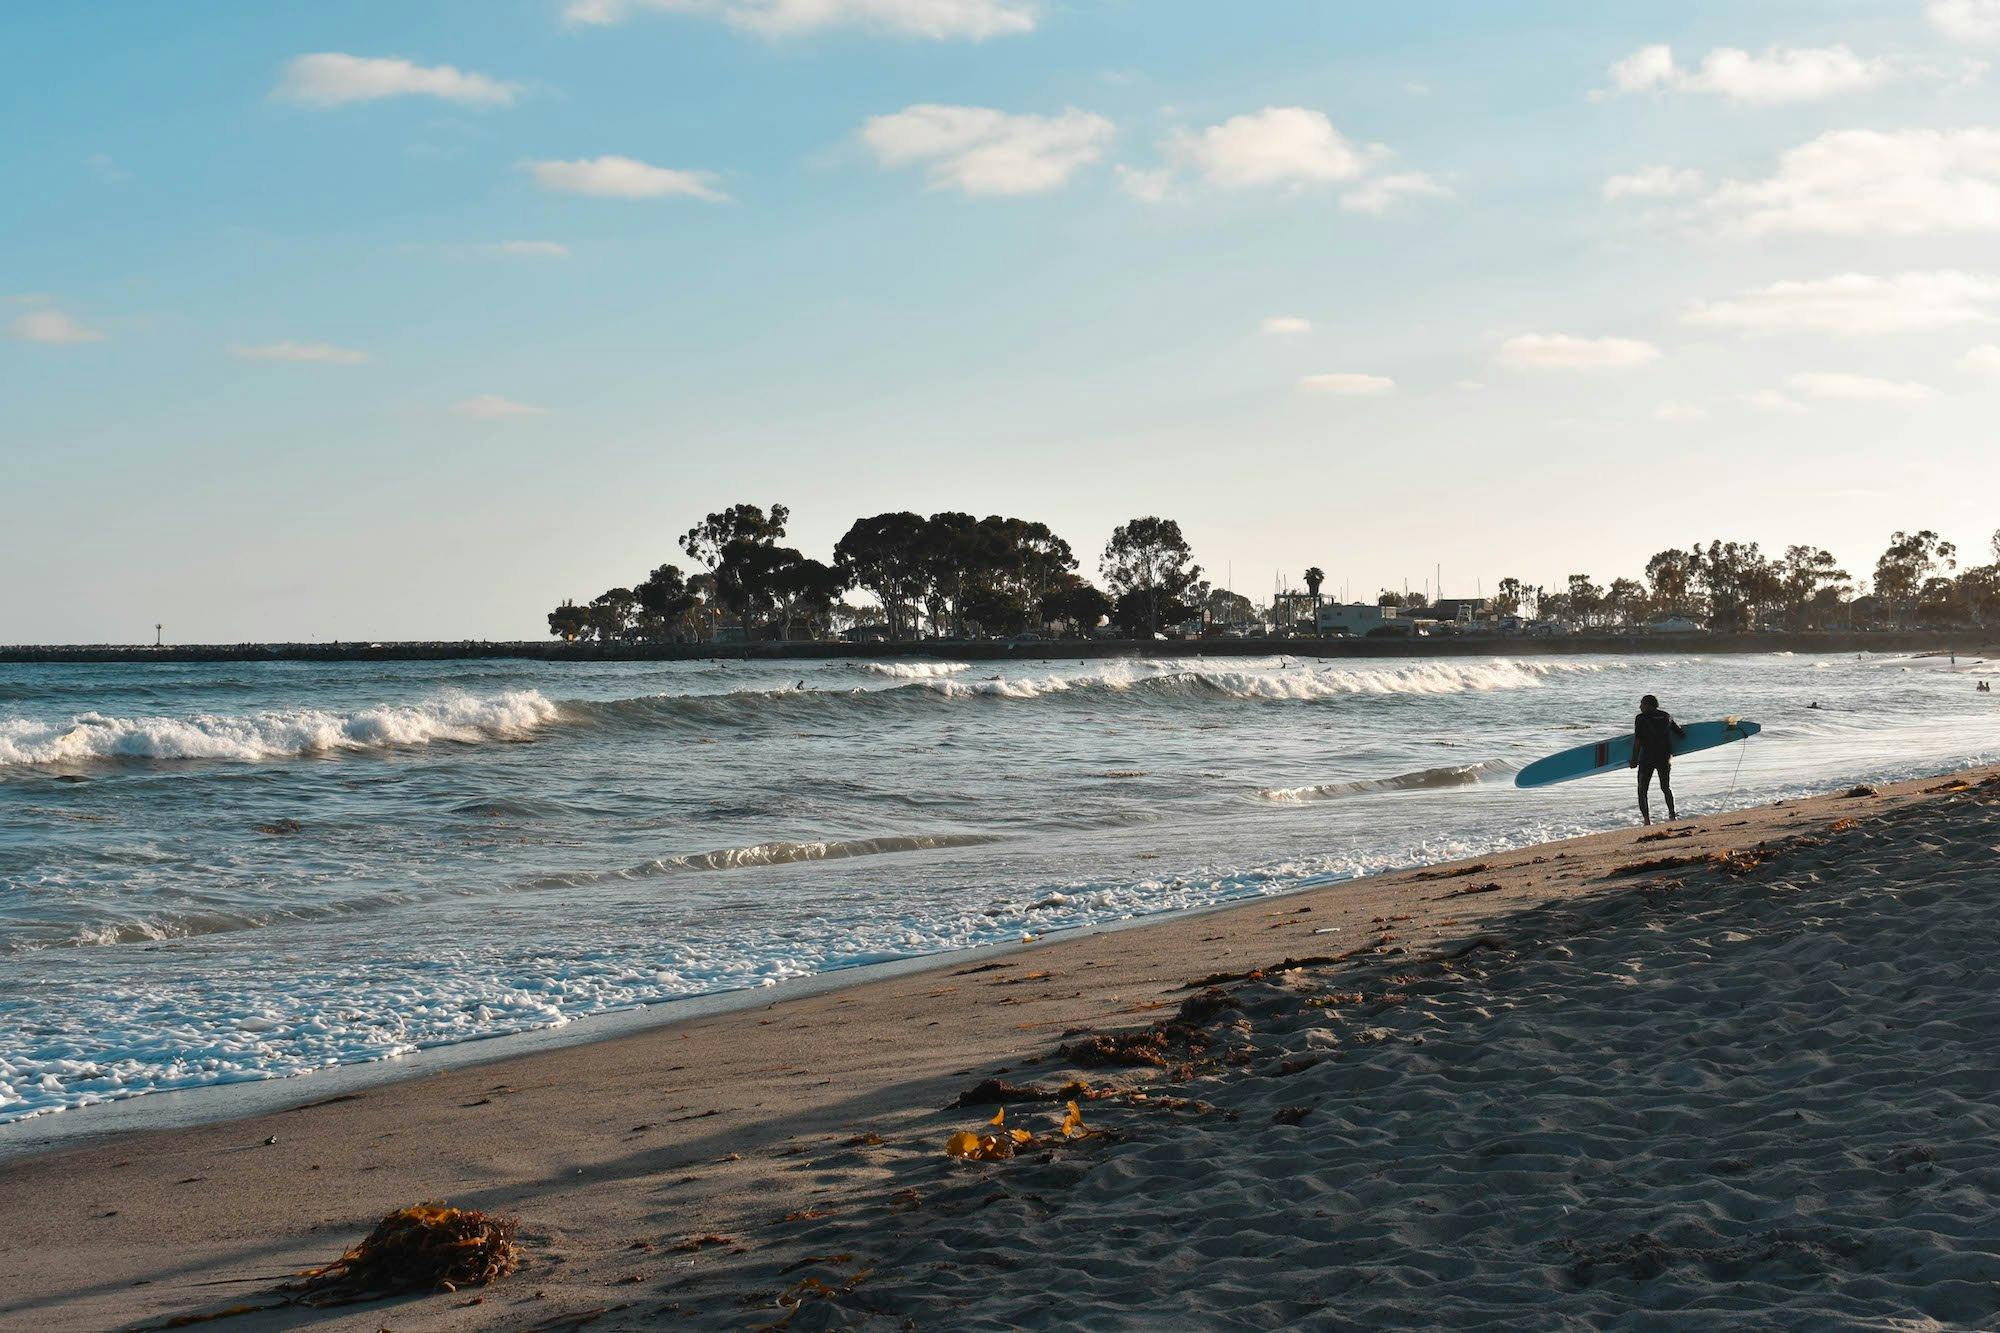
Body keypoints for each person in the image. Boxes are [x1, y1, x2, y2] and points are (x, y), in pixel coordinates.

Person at [1629, 694, 1686, 825]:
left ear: (1648, 705)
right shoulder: (1666, 716)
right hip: (1664, 757)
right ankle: (1672, 815)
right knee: (1665, 787)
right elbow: (1681, 734)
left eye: (1642, 704)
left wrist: (1634, 759)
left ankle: (1647, 820)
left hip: (1647, 758)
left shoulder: (1640, 718)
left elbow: (1638, 740)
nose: (1640, 706)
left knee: (1642, 790)